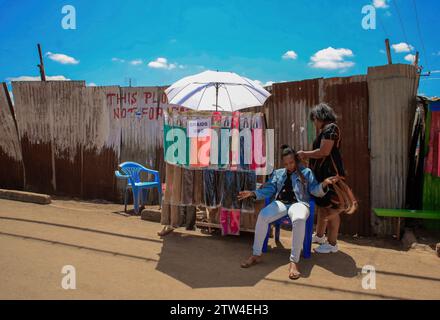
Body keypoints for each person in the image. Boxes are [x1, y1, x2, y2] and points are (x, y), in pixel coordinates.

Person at [238, 145, 340, 280]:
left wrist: (324, 184)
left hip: (299, 203)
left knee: (298, 219)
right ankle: (256, 254)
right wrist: (253, 193)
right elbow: (269, 189)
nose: (289, 166)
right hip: (281, 204)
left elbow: (315, 190)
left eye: (291, 162)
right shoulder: (278, 173)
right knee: (263, 215)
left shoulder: (306, 173)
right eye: (286, 164)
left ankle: (294, 261)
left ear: (296, 161)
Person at [297, 103, 345, 254]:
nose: (314, 123)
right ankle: (319, 236)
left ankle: (332, 244)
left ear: (319, 117)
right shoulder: (326, 130)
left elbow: (324, 151)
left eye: (314, 120)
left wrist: (305, 153)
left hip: (331, 176)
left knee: (331, 209)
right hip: (322, 176)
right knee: (323, 207)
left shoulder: (331, 129)